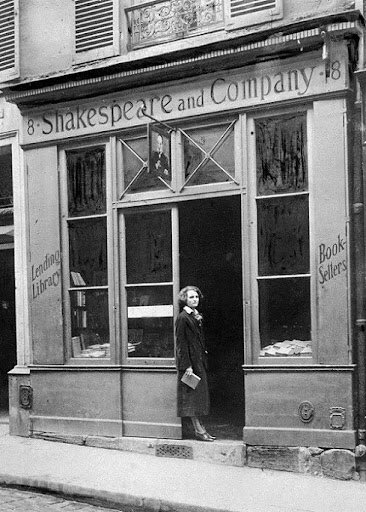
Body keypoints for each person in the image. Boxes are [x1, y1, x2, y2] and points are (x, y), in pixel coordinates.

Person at [175, 286, 215, 442]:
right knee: (192, 398)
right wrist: (187, 366)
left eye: (196, 297)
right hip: (190, 365)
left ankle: (201, 429)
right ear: (185, 299)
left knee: (199, 397)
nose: (194, 300)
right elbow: (181, 344)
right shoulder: (183, 318)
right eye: (191, 297)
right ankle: (198, 430)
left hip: (199, 363)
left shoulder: (195, 316)